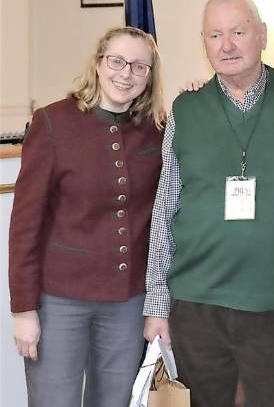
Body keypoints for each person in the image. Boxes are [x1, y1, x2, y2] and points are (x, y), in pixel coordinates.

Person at [142, 0, 274, 407]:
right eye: (215, 35)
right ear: (204, 45)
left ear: (263, 35)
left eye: (238, 31)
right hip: (197, 303)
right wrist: (157, 304)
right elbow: (165, 209)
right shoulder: (186, 110)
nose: (227, 45)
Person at [9, 26, 165, 407]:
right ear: (98, 63)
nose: (125, 74)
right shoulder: (52, 122)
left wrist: (198, 94)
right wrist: (24, 310)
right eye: (116, 61)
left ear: (149, 77)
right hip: (60, 302)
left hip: (128, 302)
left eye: (139, 66)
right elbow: (25, 226)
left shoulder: (158, 130)